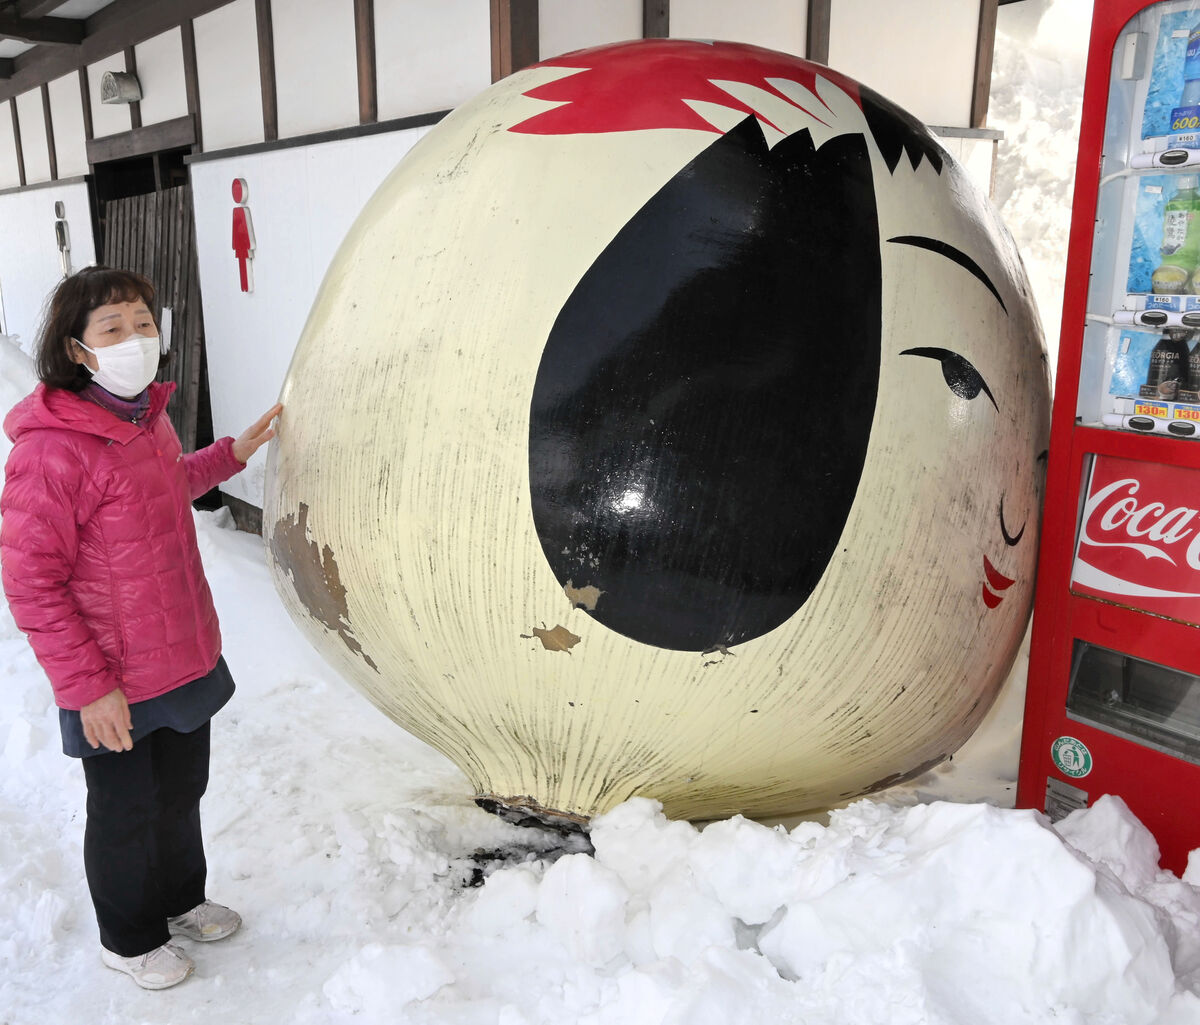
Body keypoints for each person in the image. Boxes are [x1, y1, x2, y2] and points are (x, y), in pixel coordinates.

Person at [0, 266, 283, 990]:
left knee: (182, 789)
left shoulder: (143, 419)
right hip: (113, 678)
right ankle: (128, 937)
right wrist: (89, 688)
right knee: (125, 809)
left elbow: (164, 487)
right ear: (77, 348)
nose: (135, 338)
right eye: (113, 327)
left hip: (179, 653)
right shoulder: (52, 448)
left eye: (144, 323)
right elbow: (31, 580)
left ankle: (181, 900)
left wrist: (231, 454)